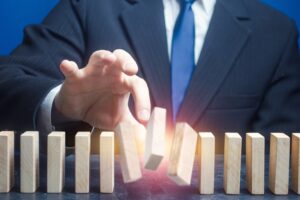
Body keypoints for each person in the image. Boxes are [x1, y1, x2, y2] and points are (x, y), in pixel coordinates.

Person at [0, 0, 299, 153]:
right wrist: (62, 103)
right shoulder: (90, 6)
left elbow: (282, 160)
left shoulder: (275, 33)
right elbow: (7, 80)